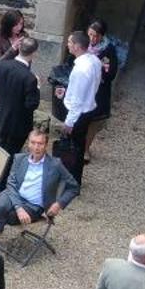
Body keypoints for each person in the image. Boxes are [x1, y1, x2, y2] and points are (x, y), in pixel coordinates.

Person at [0, 128, 77, 236]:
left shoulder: (55, 165)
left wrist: (59, 204)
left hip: (33, 206)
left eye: (40, 144)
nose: (36, 147)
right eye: (33, 143)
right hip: (14, 196)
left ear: (46, 145)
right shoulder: (19, 159)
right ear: (28, 143)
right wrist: (19, 208)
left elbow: (74, 187)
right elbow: (11, 183)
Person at [52, 31, 103, 187]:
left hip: (79, 114)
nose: (67, 44)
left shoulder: (81, 69)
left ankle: (70, 181)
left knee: (72, 148)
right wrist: (66, 92)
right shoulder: (94, 60)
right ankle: (74, 179)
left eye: (69, 42)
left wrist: (69, 123)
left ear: (77, 46)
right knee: (79, 148)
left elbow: (78, 101)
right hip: (87, 110)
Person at [0, 38, 41, 172]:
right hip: (18, 124)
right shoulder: (30, 78)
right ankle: (1, 185)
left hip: (0, 115)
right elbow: (31, 105)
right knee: (9, 155)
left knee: (0, 148)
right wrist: (37, 87)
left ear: (19, 49)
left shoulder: (1, 65)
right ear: (34, 54)